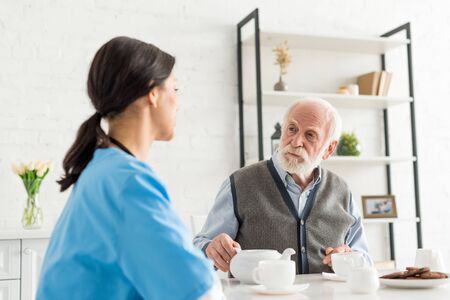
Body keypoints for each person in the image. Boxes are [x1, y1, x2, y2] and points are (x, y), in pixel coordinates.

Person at [37, 37, 223, 299]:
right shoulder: (127, 183)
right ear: (153, 93)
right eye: (175, 89)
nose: (178, 103)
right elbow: (196, 291)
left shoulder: (101, 170)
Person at [194, 97, 372, 274]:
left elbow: (364, 259)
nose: (295, 142)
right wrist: (211, 248)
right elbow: (197, 250)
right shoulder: (240, 183)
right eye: (292, 129)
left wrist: (350, 258)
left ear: (329, 149)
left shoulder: (342, 191)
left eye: (310, 135)